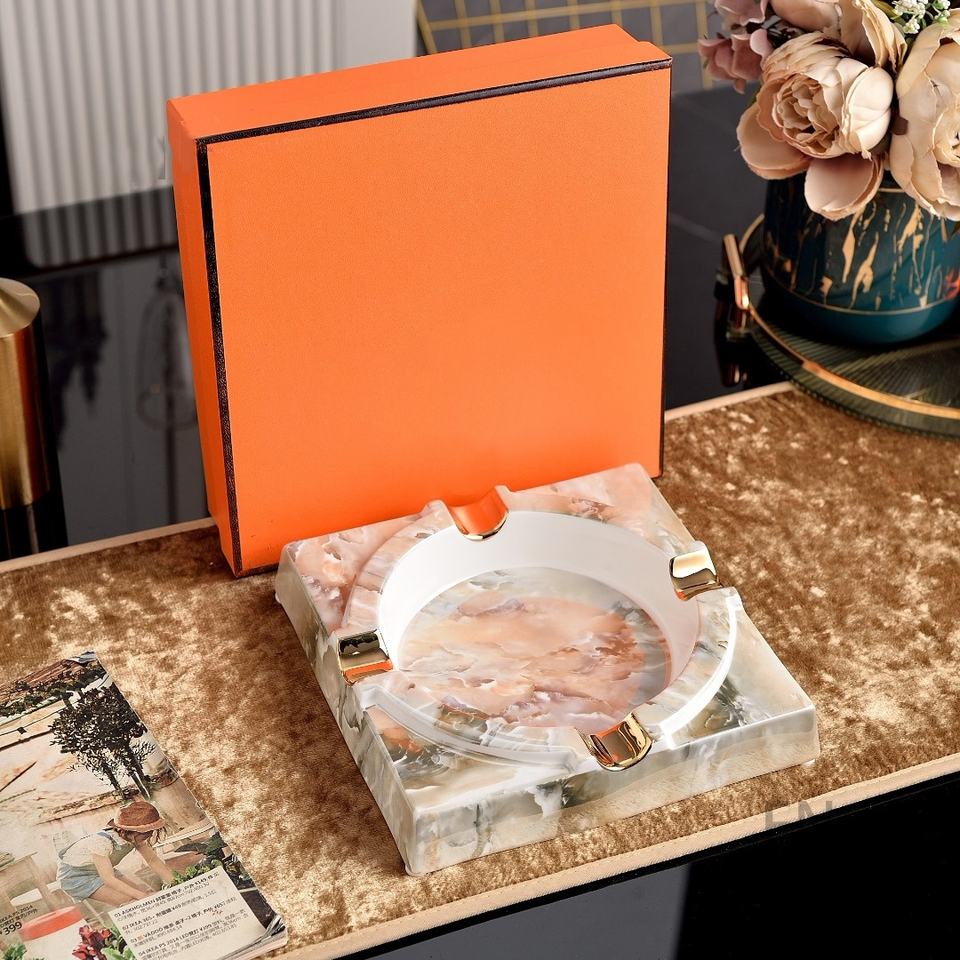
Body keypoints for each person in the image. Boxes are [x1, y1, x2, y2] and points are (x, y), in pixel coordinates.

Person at [57, 800, 202, 906]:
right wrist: (141, 896)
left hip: (100, 870)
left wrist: (177, 884)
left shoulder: (135, 837)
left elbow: (152, 860)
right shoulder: (102, 843)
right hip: (76, 875)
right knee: (132, 901)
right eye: (144, 832)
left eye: (151, 831)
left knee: (146, 894)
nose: (149, 835)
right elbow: (108, 879)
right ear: (128, 831)